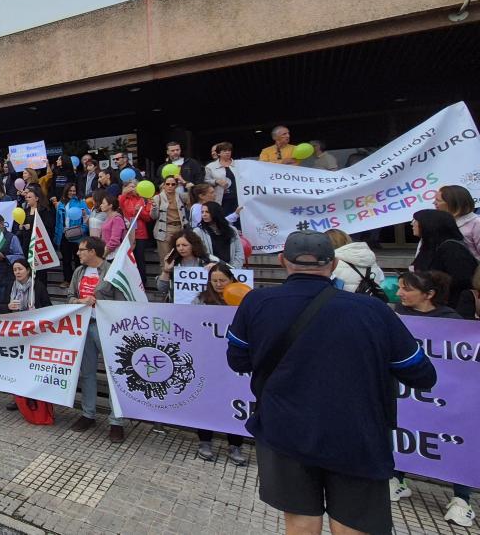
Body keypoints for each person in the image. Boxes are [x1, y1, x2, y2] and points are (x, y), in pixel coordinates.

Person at [227, 231, 436, 535]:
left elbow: (238, 360)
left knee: (300, 524)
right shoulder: (372, 310)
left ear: (282, 261)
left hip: (284, 429)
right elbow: (420, 373)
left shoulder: (256, 302)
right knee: (353, 525)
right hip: (356, 433)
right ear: (334, 262)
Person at [388, 270, 474, 526]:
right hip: (405, 392)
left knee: (455, 443)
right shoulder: (395, 316)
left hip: (445, 396)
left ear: (429, 294)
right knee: (403, 429)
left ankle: (462, 498)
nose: (399, 293)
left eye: (407, 289)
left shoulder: (454, 322)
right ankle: (396, 477)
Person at [67, 237, 126, 441]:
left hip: (107, 329)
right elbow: (69, 298)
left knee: (114, 375)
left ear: (93, 251)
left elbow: (122, 303)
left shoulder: (112, 272)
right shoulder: (78, 272)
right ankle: (88, 414)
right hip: (84, 327)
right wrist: (80, 301)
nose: (78, 253)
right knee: (88, 373)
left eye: (81, 250)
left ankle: (116, 421)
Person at [189, 262, 248, 465]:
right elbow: (191, 323)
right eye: (214, 281)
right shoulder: (201, 300)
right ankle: (205, 441)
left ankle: (235, 444)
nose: (218, 284)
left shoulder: (244, 299)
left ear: (231, 279)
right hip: (208, 358)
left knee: (236, 401)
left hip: (235, 360)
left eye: (222, 280)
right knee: (207, 400)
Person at [411, 209, 478, 313]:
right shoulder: (428, 246)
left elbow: (462, 280)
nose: (412, 224)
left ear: (429, 224)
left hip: (452, 310)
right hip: (431, 305)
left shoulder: (451, 248)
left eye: (415, 221)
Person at [150, 176, 189, 281]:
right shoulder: (157, 198)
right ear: (164, 185)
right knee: (165, 260)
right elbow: (154, 217)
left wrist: (183, 181)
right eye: (168, 184)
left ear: (176, 186)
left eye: (173, 184)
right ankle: (165, 286)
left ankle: (178, 283)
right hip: (165, 230)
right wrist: (153, 208)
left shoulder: (180, 196)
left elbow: (194, 193)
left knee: (181, 257)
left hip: (180, 230)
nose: (170, 186)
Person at [154, 229, 210, 299]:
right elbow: (162, 288)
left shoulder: (207, 260)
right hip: (178, 306)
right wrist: (166, 271)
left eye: (184, 245)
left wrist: (214, 269)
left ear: (193, 245)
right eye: (178, 246)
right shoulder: (173, 262)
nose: (181, 248)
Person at [325, 229, 384, 294]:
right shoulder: (370, 259)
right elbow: (381, 279)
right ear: (347, 239)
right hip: (371, 302)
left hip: (347, 302)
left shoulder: (332, 263)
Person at [54, 184, 89, 289]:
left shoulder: (81, 202)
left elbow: (87, 218)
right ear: (66, 191)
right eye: (70, 191)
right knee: (66, 260)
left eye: (74, 191)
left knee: (79, 259)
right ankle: (67, 280)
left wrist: (83, 230)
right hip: (64, 235)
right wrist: (57, 236)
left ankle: (79, 281)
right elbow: (58, 221)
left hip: (78, 236)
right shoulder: (60, 204)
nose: (72, 193)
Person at [118, 180, 152, 283]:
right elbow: (118, 203)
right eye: (130, 186)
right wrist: (124, 192)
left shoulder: (143, 199)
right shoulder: (123, 198)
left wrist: (139, 211)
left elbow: (148, 218)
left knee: (139, 259)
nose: (133, 189)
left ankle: (142, 282)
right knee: (128, 259)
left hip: (140, 234)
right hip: (127, 233)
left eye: (135, 186)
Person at [436, 184, 480, 259]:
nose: (434, 203)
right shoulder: (439, 222)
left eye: (438, 200)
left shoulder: (477, 223)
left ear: (452, 203)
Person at [196, 202, 245, 268]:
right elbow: (200, 254)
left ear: (216, 213)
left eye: (207, 212)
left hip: (231, 269)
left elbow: (239, 252)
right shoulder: (198, 231)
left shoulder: (232, 230)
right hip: (210, 270)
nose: (204, 215)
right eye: (202, 212)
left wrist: (234, 268)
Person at [204, 142, 239, 218]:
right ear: (218, 153)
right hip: (221, 199)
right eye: (224, 151)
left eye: (229, 150)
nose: (227, 152)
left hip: (238, 198)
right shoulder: (210, 167)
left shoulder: (239, 164)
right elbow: (205, 181)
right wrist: (216, 181)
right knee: (224, 220)